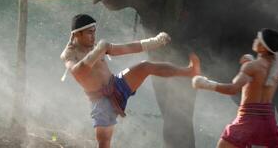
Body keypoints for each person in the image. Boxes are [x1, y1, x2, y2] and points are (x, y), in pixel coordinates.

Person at [60, 14, 200, 148]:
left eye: (94, 32)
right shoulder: (69, 54)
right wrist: (97, 51)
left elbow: (125, 48)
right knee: (104, 142)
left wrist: (154, 42)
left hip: (117, 84)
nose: (93, 36)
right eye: (90, 32)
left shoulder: (96, 46)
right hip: (101, 101)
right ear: (77, 34)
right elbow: (79, 72)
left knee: (146, 66)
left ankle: (188, 71)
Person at [192, 28, 278, 148]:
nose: (255, 40)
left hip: (248, 120)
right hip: (268, 122)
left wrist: (206, 84)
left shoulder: (251, 67)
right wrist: (252, 62)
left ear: (263, 47)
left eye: (258, 39)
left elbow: (232, 89)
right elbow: (261, 81)